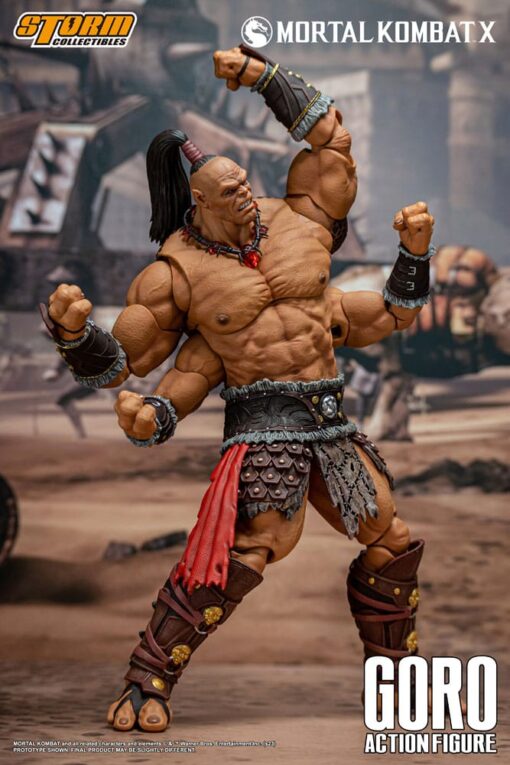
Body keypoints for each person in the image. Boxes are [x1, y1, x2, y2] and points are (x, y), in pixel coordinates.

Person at [43, 45, 434, 732]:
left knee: (392, 540)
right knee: (246, 554)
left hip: (331, 422)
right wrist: (76, 335)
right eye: (230, 193)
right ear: (199, 202)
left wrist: (263, 76)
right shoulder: (175, 274)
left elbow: (333, 142)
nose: (246, 196)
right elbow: (127, 362)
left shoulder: (301, 220)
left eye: (246, 184)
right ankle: (147, 678)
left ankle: (395, 682)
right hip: (264, 431)